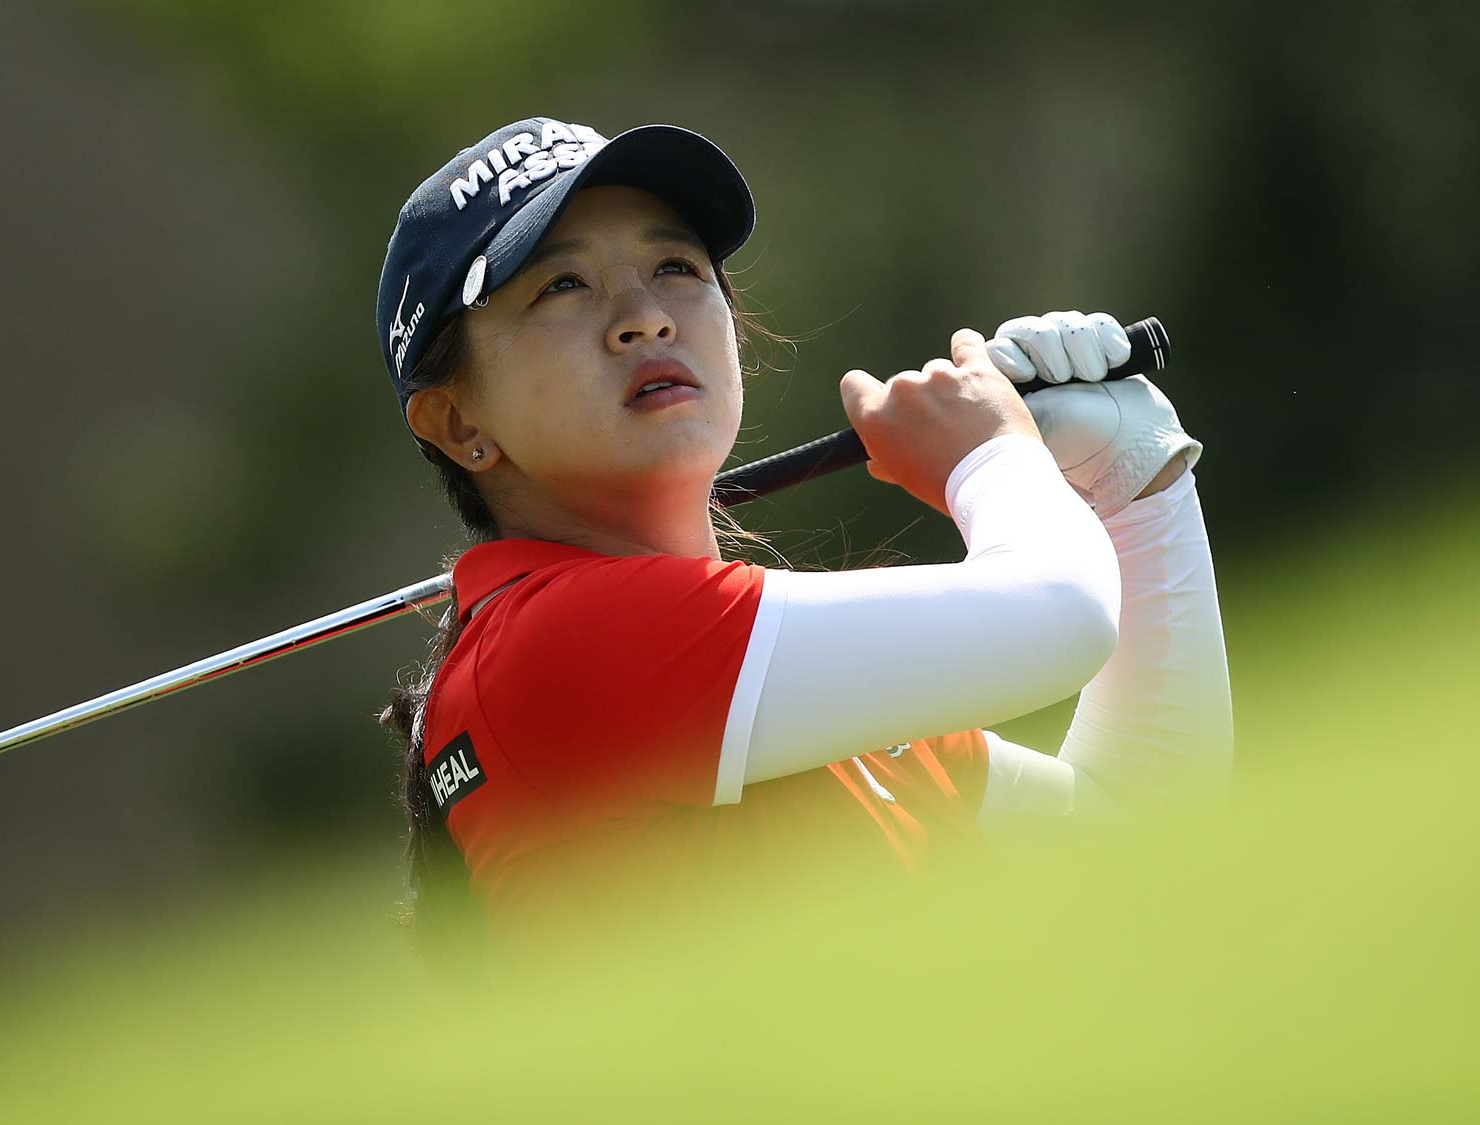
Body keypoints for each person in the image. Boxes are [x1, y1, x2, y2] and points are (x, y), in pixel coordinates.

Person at [373, 117, 1232, 947]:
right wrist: (991, 455)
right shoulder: (553, 643)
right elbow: (1063, 619)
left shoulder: (771, 672)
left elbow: (1134, 834)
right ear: (455, 421)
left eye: (675, 264)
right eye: (562, 284)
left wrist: (1136, 479)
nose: (645, 316)